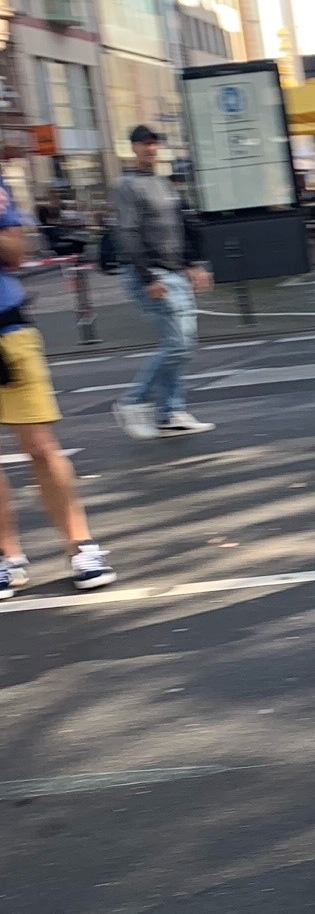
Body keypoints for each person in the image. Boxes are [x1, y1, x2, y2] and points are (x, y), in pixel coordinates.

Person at [0, 180, 114, 594]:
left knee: (40, 446)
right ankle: (7, 558)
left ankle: (80, 545)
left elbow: (15, 250)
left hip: (7, 329)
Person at [110, 125, 215, 441]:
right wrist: (146, 278)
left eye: (154, 143)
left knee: (184, 345)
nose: (150, 148)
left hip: (175, 272)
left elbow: (177, 228)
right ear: (133, 148)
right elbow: (127, 234)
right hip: (152, 274)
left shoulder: (163, 184)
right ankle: (132, 402)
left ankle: (169, 413)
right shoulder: (126, 186)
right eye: (144, 144)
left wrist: (192, 264)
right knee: (176, 343)